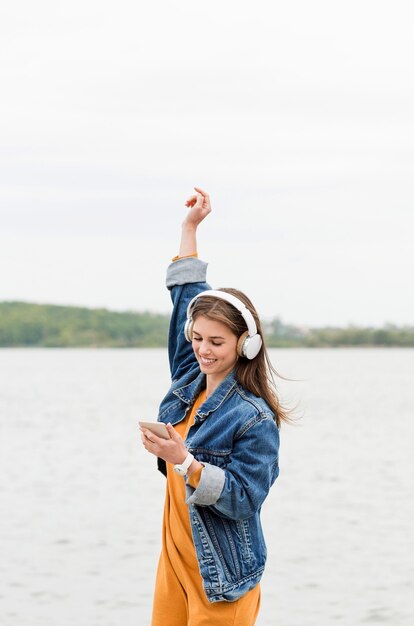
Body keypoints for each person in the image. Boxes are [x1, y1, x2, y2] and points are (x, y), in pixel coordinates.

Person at [140, 187, 290, 626]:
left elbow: (244, 498)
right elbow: (188, 291)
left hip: (220, 574)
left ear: (247, 344)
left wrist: (183, 461)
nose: (204, 350)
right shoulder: (190, 375)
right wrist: (189, 228)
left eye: (217, 342)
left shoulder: (254, 417)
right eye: (198, 338)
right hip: (174, 561)